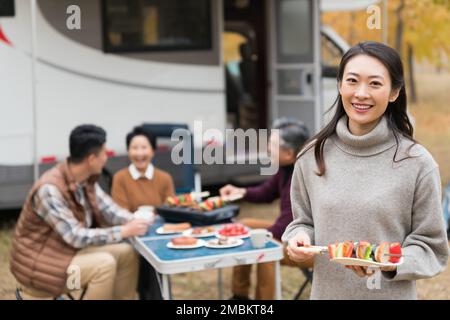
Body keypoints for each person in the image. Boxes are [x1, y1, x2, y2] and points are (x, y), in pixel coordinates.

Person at [283, 41, 449, 299]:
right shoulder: (311, 155)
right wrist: (299, 238)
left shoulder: (418, 163)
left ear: (394, 92)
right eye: (352, 81)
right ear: (340, 85)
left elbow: (431, 246)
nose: (361, 93)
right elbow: (302, 222)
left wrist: (389, 261)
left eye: (374, 83)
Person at [10, 125, 151, 300]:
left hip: (65, 252)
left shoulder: (85, 180)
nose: (106, 158)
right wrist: (123, 231)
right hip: (39, 268)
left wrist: (140, 220)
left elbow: (110, 210)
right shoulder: (49, 189)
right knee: (103, 265)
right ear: (92, 159)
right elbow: (75, 236)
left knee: (127, 253)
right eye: (104, 153)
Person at [220, 117, 310, 300]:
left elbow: (288, 223)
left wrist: (256, 237)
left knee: (264, 249)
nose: (268, 148)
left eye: (273, 144)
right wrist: (241, 192)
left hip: (308, 243)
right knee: (246, 226)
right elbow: (266, 193)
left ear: (289, 154)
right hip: (288, 233)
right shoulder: (285, 169)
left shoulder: (302, 176)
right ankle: (240, 296)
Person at [112, 125, 175, 300]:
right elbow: (120, 212)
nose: (139, 153)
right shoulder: (120, 178)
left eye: (144, 147)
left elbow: (170, 209)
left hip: (160, 237)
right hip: (133, 237)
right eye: (134, 148)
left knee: (156, 262)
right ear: (128, 151)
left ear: (153, 151)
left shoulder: (164, 178)